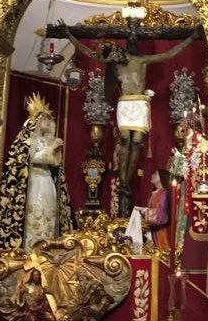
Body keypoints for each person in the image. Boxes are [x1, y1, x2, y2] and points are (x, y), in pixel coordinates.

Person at [59, 20, 198, 216]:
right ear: (124, 44)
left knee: (136, 144)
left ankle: (126, 181)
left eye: (135, 40)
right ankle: (124, 181)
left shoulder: (142, 60)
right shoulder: (115, 62)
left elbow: (169, 53)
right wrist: (70, 36)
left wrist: (191, 37)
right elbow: (92, 54)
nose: (133, 43)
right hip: (125, 102)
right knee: (125, 141)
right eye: (129, 40)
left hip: (140, 103)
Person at [23, 95, 72, 249]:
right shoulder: (31, 139)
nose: (48, 123)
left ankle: (47, 245)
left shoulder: (47, 140)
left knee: (49, 212)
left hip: (47, 180)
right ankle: (32, 247)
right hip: (36, 179)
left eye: (48, 120)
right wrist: (51, 148)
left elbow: (55, 163)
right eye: (44, 119)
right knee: (36, 211)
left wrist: (56, 150)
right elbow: (34, 158)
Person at [135, 169, 172, 252]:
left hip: (163, 232)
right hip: (154, 231)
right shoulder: (157, 193)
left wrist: (146, 211)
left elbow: (162, 215)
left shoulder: (164, 193)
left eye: (155, 174)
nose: (152, 175)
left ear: (162, 177)